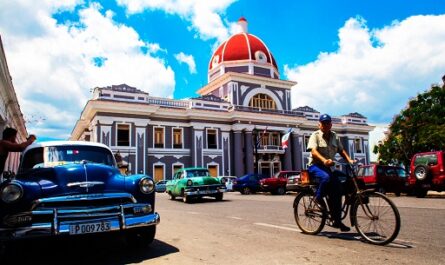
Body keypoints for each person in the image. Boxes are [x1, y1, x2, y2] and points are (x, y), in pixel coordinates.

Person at [306, 114, 355, 232]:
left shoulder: (334, 136)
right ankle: (318, 198)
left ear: (331, 125)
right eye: (323, 123)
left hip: (329, 167)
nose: (326, 125)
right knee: (326, 178)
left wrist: (349, 160)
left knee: (341, 186)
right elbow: (313, 151)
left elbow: (341, 150)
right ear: (319, 124)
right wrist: (324, 160)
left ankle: (337, 220)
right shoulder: (315, 135)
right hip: (315, 166)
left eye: (328, 123)